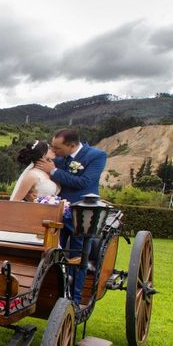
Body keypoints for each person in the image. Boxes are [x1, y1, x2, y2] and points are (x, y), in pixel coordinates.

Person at [34, 129, 108, 302]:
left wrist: (54, 172)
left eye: (58, 148)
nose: (55, 151)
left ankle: (73, 300)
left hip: (82, 216)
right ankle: (48, 295)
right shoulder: (59, 158)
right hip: (56, 214)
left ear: (72, 146)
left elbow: (83, 182)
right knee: (51, 254)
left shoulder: (97, 156)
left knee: (78, 257)